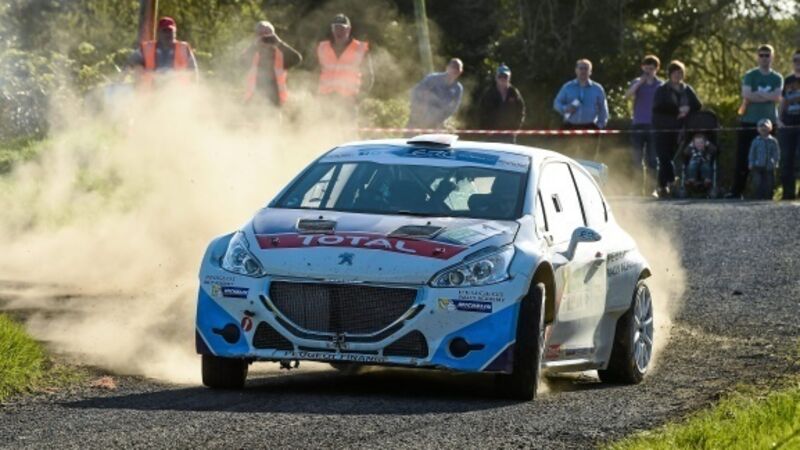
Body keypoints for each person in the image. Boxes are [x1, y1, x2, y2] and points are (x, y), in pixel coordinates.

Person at [728, 45, 783, 199]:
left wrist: (757, 94)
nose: (764, 58)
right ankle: (737, 191)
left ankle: (767, 192)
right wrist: (766, 96)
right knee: (743, 157)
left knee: (769, 158)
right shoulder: (750, 75)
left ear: (772, 57)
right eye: (761, 55)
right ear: (757, 57)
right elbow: (747, 95)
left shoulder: (777, 77)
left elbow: (777, 97)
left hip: (769, 123)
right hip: (749, 121)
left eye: (767, 55)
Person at [651, 60, 702, 198]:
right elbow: (658, 107)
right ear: (670, 74)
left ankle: (662, 187)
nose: (677, 75)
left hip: (679, 129)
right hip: (662, 128)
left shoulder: (687, 89)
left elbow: (698, 105)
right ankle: (672, 180)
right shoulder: (662, 89)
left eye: (680, 73)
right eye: (675, 73)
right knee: (664, 157)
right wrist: (677, 110)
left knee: (670, 158)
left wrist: (688, 108)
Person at [315, 13, 374, 120]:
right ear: (332, 29)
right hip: (326, 99)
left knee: (347, 129)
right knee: (325, 128)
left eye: (342, 28)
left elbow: (368, 76)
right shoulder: (322, 47)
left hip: (348, 100)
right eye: (336, 27)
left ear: (348, 29)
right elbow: (314, 73)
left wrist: (359, 98)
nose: (339, 31)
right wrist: (316, 95)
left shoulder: (359, 48)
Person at [242, 21, 302, 108]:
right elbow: (240, 62)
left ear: (273, 38)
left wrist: (279, 43)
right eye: (261, 36)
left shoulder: (280, 55)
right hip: (253, 99)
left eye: (268, 38)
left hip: (275, 101)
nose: (265, 41)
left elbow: (297, 58)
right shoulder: (253, 53)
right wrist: (254, 45)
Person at [127, 17, 199, 89]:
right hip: (150, 92)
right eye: (165, 31)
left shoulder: (184, 48)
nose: (168, 34)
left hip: (177, 92)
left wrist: (193, 89)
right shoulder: (146, 48)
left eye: (170, 31)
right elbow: (129, 65)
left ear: (175, 32)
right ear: (158, 32)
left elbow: (193, 72)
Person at [625, 55, 662, 172]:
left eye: (651, 69)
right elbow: (627, 96)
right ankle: (637, 183)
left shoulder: (660, 85)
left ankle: (652, 183)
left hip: (654, 125)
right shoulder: (636, 82)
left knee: (652, 160)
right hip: (638, 124)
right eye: (646, 68)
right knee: (637, 160)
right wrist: (639, 83)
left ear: (656, 69)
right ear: (642, 68)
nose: (648, 71)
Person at [406, 58, 464, 130]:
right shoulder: (433, 78)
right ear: (447, 68)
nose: (454, 71)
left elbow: (453, 108)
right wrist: (416, 109)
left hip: (435, 123)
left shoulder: (458, 88)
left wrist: (441, 119)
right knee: (410, 137)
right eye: (453, 67)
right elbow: (415, 92)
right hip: (417, 118)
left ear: (460, 72)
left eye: (457, 69)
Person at [553, 59, 609, 130]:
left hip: (591, 127)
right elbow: (556, 103)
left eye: (586, 69)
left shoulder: (597, 89)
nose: (583, 71)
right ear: (576, 70)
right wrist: (565, 108)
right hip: (570, 126)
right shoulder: (567, 87)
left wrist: (600, 126)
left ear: (590, 72)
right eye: (581, 68)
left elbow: (603, 109)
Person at [477, 64, 526, 143]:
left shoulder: (514, 93)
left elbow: (521, 111)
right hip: (492, 134)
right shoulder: (489, 93)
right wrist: (486, 129)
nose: (503, 79)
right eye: (500, 76)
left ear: (509, 78)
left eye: (505, 77)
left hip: (509, 134)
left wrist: (516, 129)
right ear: (496, 78)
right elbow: (481, 112)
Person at [778, 49, 800, 200]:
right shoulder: (788, 80)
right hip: (787, 125)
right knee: (786, 160)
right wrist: (779, 119)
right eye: (795, 60)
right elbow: (783, 101)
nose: (798, 63)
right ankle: (788, 194)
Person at [748, 118, 780, 199]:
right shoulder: (756, 141)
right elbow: (752, 153)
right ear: (758, 129)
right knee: (757, 182)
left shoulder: (773, 141)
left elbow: (776, 153)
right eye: (761, 127)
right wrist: (751, 162)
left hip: (769, 165)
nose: (763, 128)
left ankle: (768, 196)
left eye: (765, 126)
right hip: (758, 165)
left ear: (770, 128)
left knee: (770, 182)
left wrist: (776, 162)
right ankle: (758, 196)